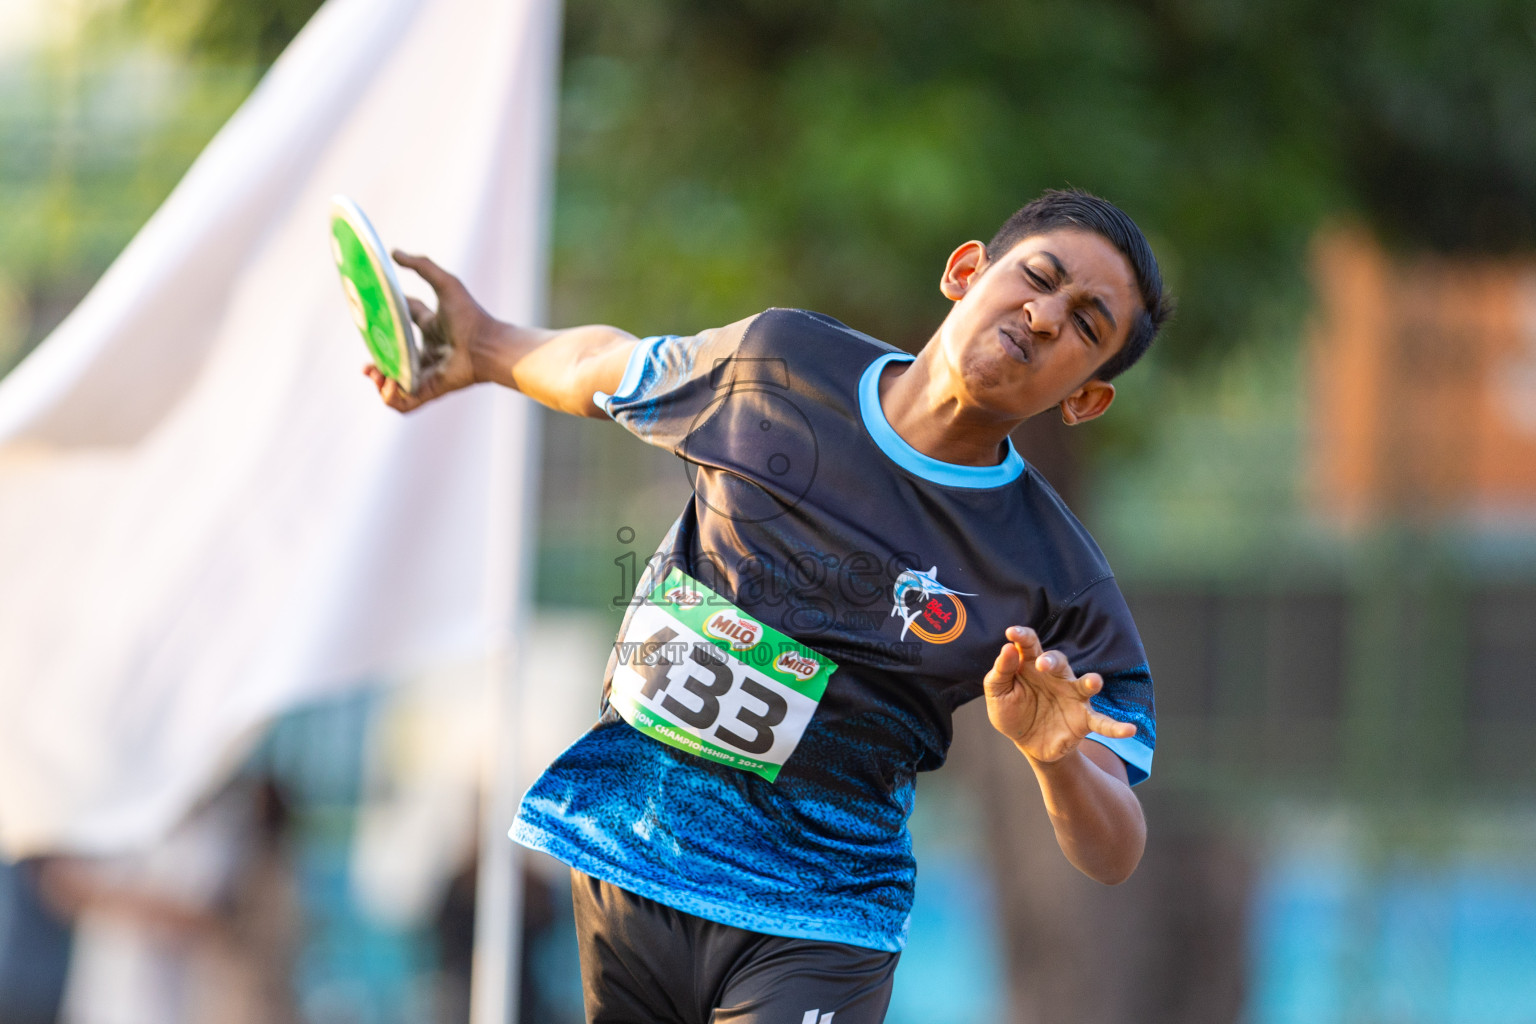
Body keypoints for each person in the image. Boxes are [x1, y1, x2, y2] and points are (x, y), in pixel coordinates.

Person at [367, 188, 1171, 1024]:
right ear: (966, 272)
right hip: (631, 855)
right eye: (1038, 278)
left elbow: (1116, 849)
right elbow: (602, 369)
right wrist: (485, 346)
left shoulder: (1057, 578)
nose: (1045, 316)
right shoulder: (777, 364)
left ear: (1086, 398)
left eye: (1087, 325)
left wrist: (1056, 760)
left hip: (816, 918)